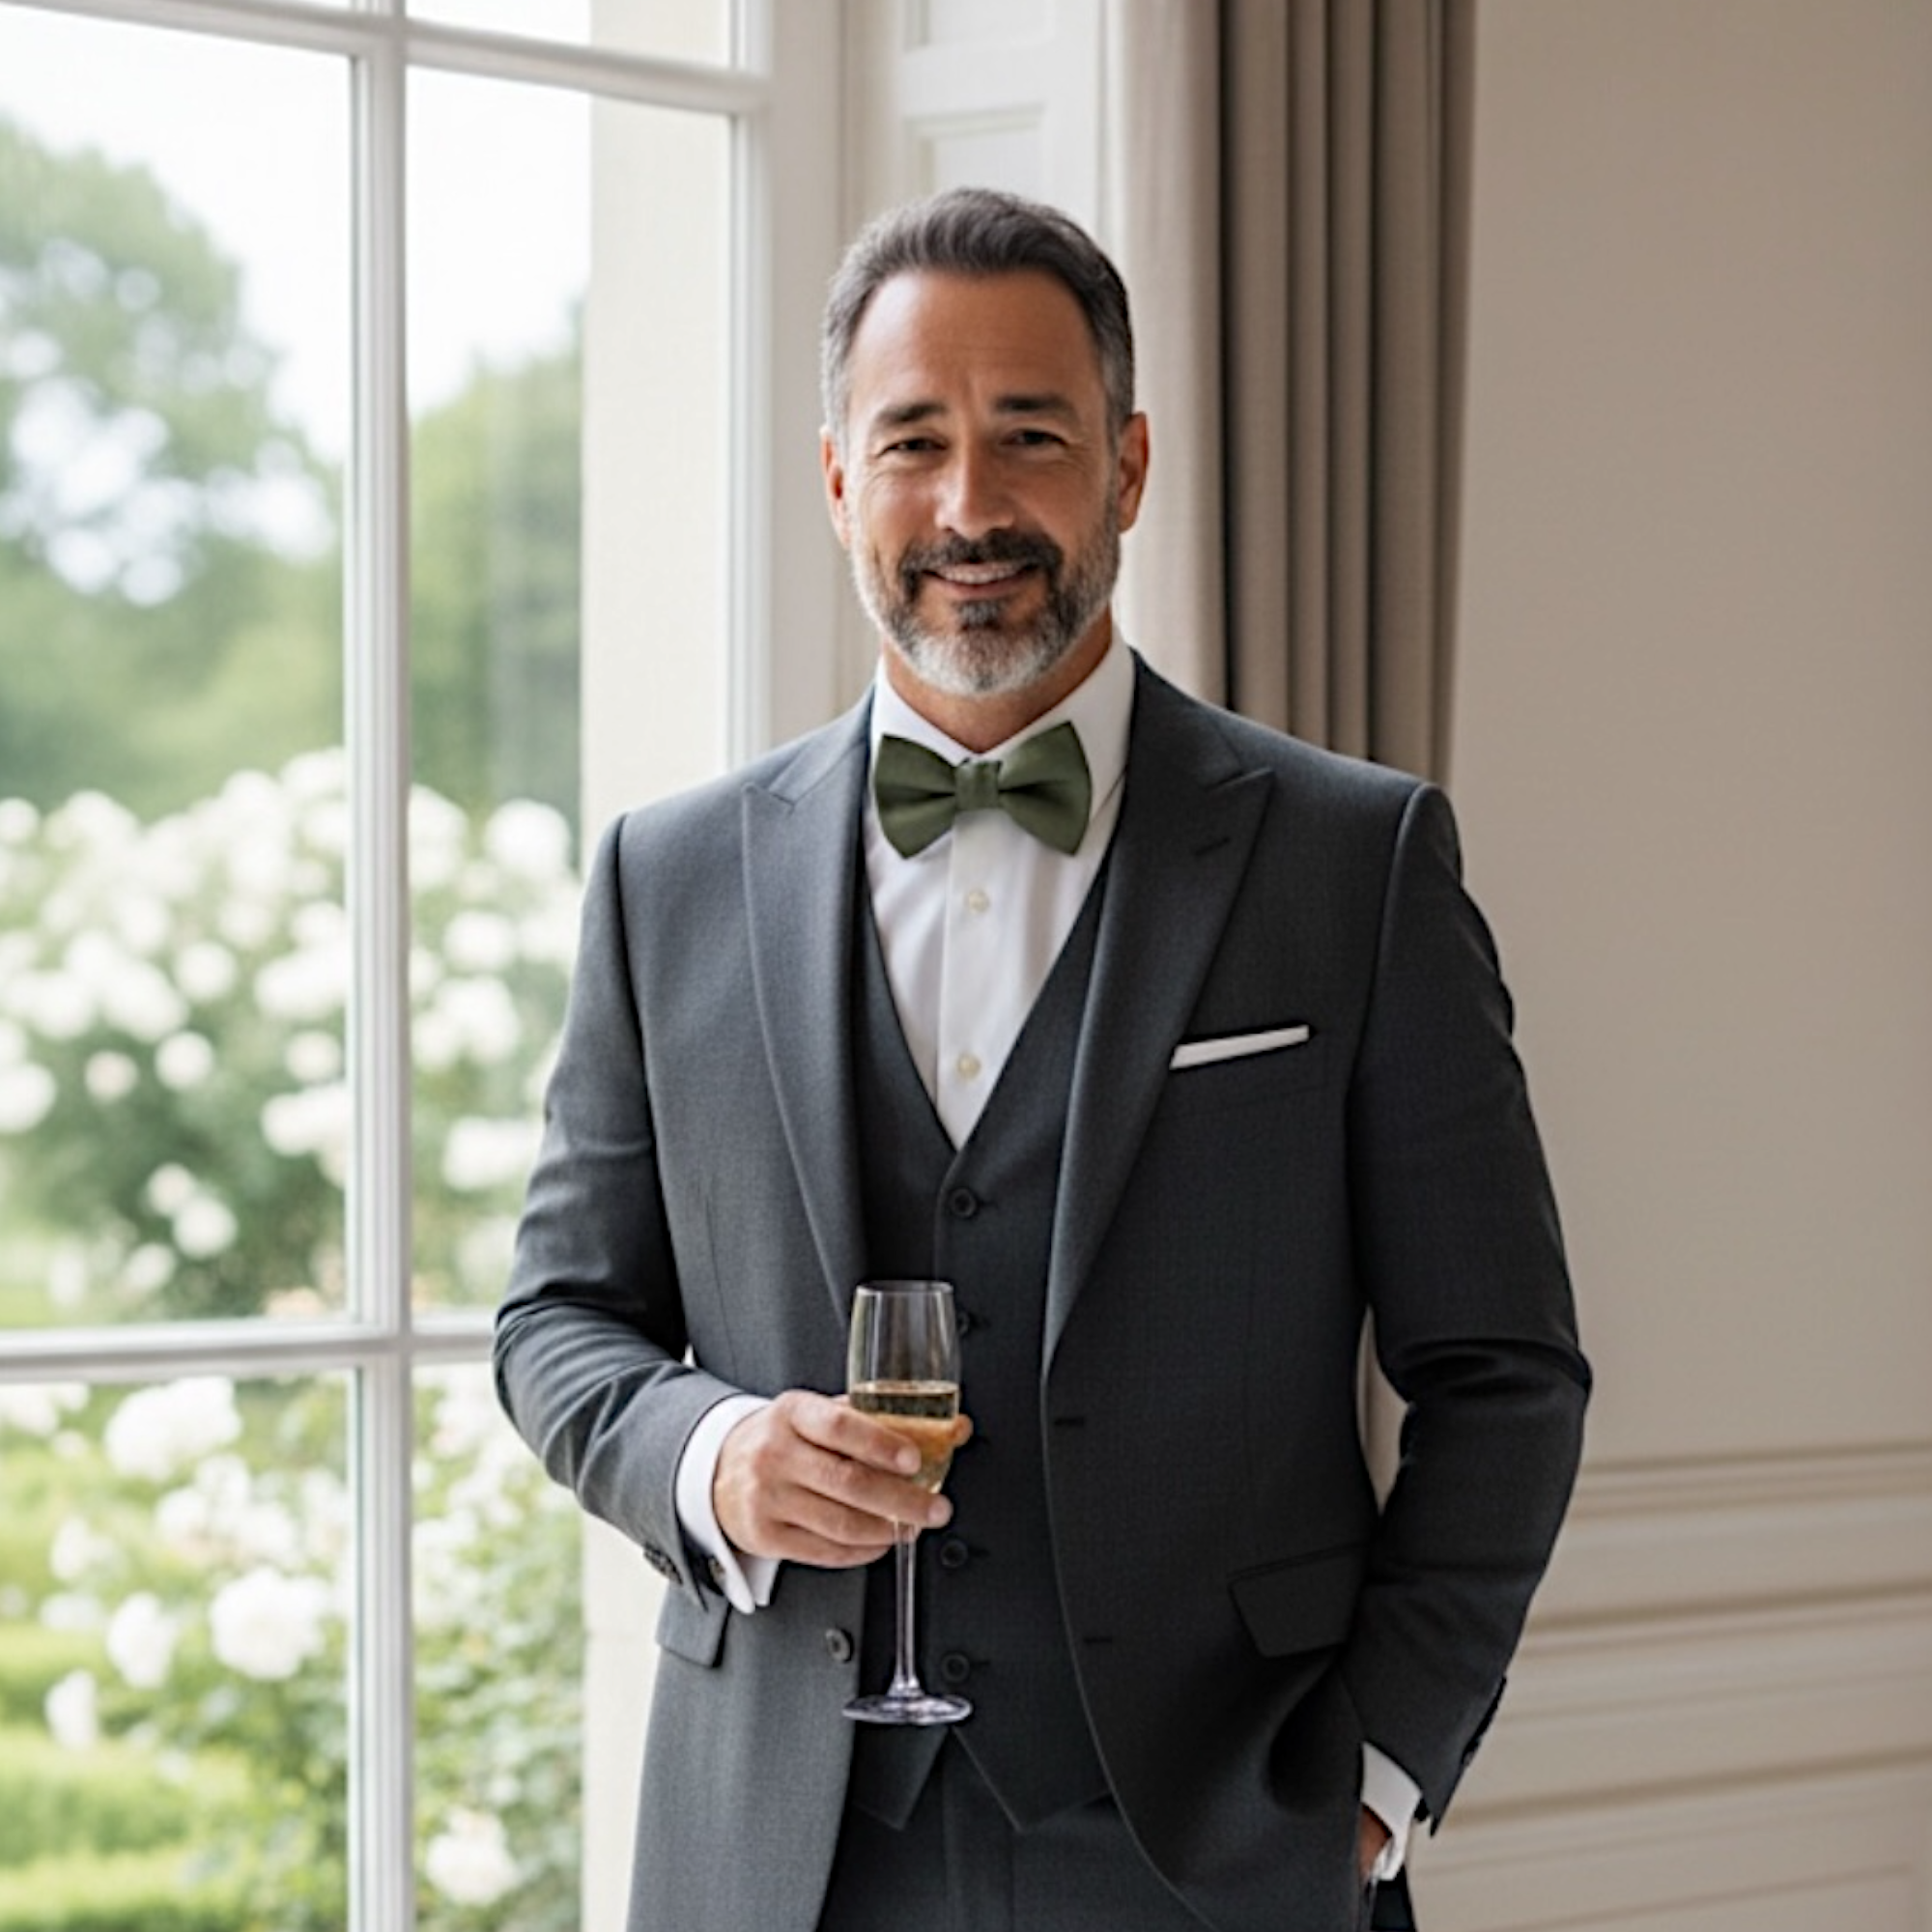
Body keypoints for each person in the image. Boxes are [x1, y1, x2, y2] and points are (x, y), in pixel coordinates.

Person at [495, 185, 1589, 1932]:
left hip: (1221, 1854)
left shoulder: (1351, 862)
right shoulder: (667, 878)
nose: (970, 507)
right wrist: (711, 1456)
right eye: (913, 442)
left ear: (1129, 467)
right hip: (778, 1855)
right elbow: (557, 1320)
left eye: (1031, 436)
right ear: (837, 478)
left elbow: (1505, 1370)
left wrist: (1376, 1781)